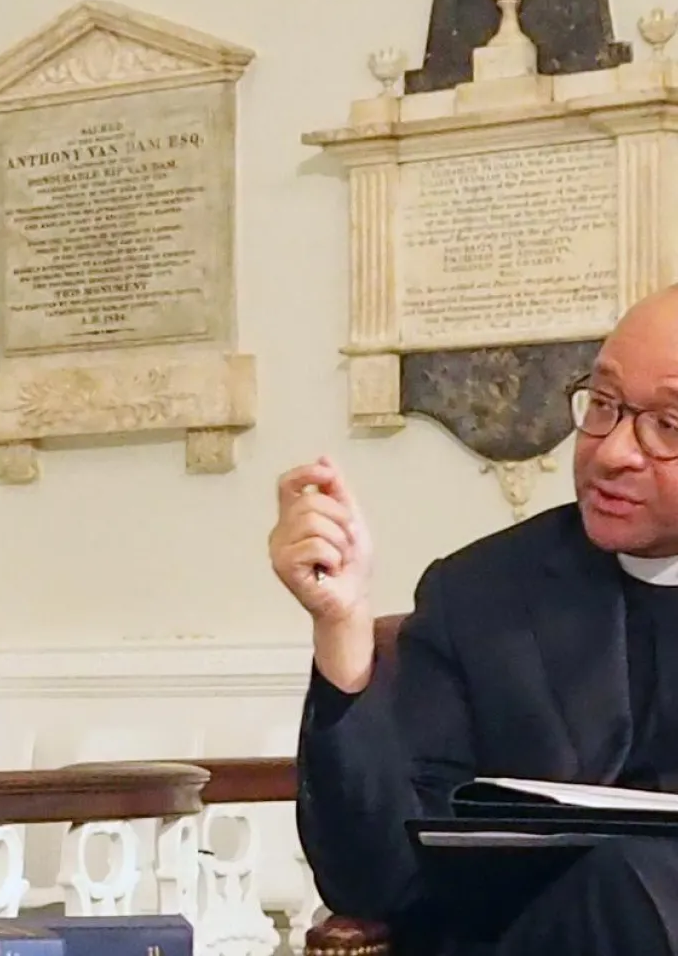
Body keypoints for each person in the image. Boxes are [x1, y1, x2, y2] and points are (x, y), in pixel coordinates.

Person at [272, 287, 678, 955]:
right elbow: (376, 881)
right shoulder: (482, 596)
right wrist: (342, 628)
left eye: (666, 425)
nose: (612, 453)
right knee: (626, 878)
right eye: (603, 406)